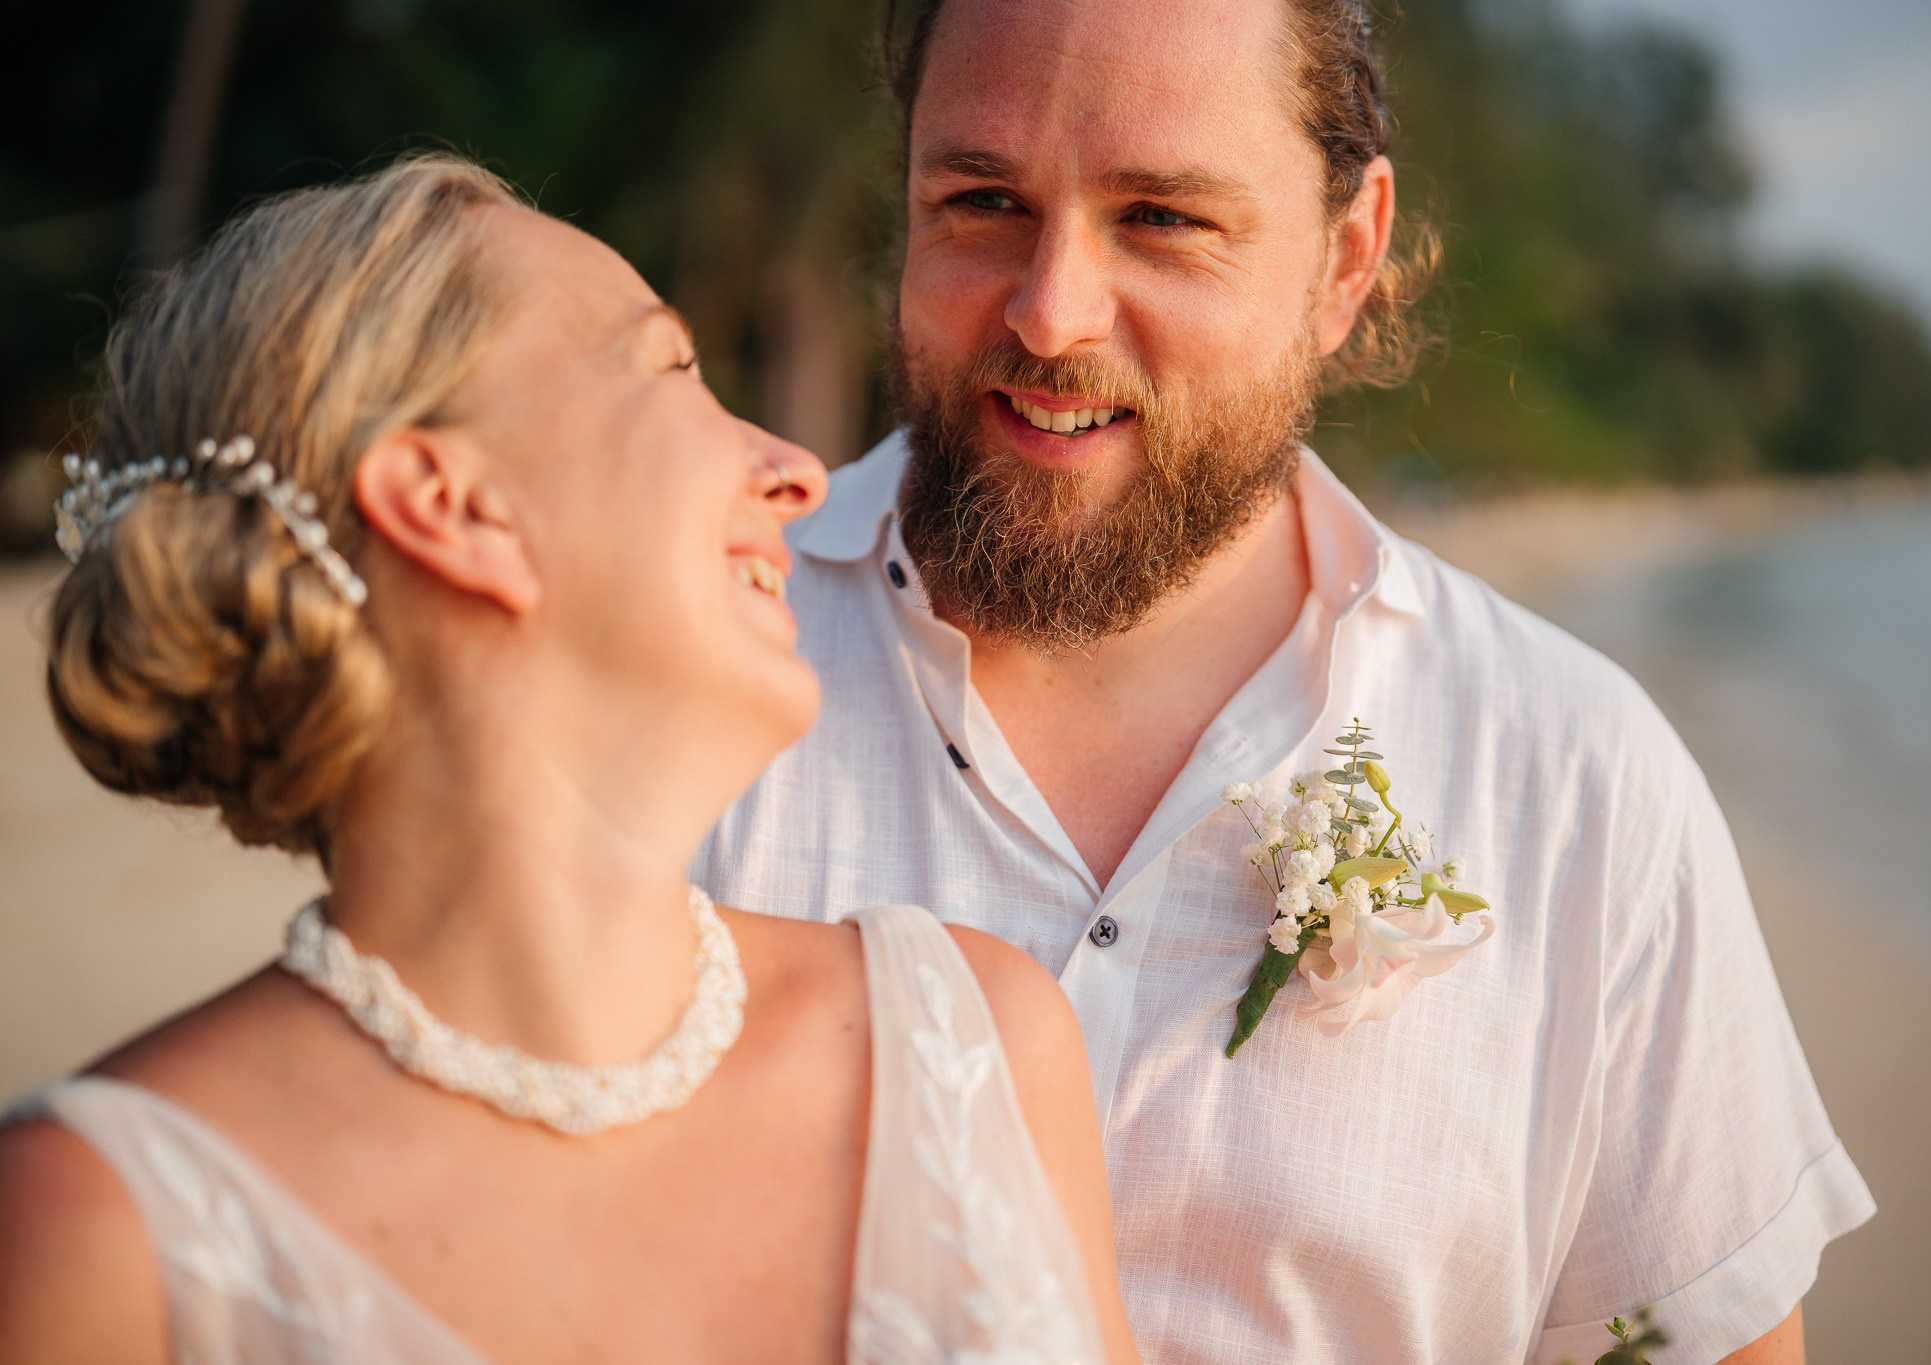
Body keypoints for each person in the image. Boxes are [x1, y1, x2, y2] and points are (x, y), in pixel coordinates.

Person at [696, 0, 1875, 1361]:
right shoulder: (673, 653)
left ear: (1344, 258)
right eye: (980, 200)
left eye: (1161, 219)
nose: (1050, 310)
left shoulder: (1576, 780)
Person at [0, 154, 1140, 1365]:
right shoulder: (92, 1236)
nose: (796, 475)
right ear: (453, 505)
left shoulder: (979, 1047)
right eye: (670, 369)